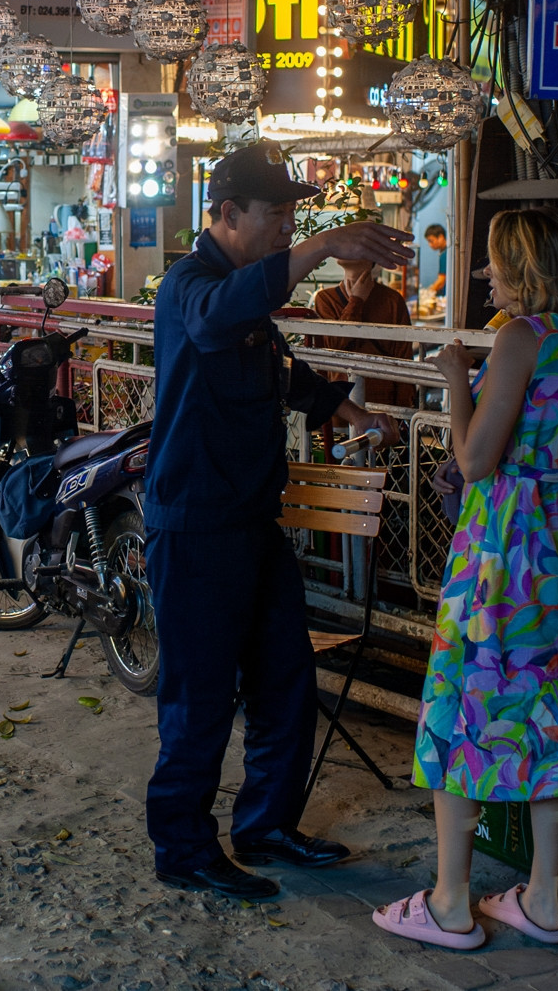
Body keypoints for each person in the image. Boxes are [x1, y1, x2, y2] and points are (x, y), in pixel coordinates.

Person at [146, 143, 413, 900]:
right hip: (195, 525)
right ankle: (183, 847)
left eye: (297, 216)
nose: (286, 229)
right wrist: (321, 248)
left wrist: (350, 409)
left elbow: (282, 371)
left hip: (252, 522)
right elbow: (213, 324)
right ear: (228, 214)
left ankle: (265, 826)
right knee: (199, 699)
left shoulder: (246, 299)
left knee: (286, 683)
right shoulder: (190, 287)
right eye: (279, 216)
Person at [371, 207, 558, 950]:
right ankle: (541, 899)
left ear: (529, 268)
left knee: (462, 705)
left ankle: (451, 902)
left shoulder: (521, 338)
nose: (486, 273)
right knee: (550, 710)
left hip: (506, 545)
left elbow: (475, 460)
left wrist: (454, 380)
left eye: (497, 262)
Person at [310, 257, 415, 407]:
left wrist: (401, 414)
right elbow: (331, 347)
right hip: (340, 406)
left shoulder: (393, 300)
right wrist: (356, 300)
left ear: (372, 253)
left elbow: (404, 361)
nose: (344, 250)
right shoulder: (325, 299)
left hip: (383, 406)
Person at [422, 224, 449, 298]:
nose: (430, 244)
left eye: (431, 241)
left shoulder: (445, 254)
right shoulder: (444, 252)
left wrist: (427, 294)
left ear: (440, 237)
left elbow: (441, 281)